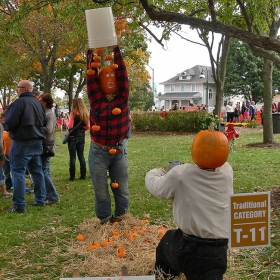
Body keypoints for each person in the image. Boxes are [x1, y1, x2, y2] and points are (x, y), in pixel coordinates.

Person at [145, 135, 233, 280]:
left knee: (165, 247)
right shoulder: (227, 172)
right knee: (168, 240)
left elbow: (155, 186)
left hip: (191, 248)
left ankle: (164, 276)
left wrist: (160, 171)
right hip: (218, 250)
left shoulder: (181, 174)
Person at [86, 45, 130, 224]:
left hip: (119, 151)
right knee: (101, 191)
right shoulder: (96, 100)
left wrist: (116, 51)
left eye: (112, 76)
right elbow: (91, 78)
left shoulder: (123, 98)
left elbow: (122, 74)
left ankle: (122, 218)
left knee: (122, 190)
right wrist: (91, 54)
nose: (110, 80)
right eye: (106, 77)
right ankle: (104, 220)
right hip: (99, 151)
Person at [4, 79, 47, 213]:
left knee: (18, 172)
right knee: (37, 171)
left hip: (22, 142)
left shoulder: (18, 103)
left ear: (25, 89)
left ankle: (19, 205)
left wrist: (9, 129)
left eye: (18, 87)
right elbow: (44, 121)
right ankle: (40, 199)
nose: (17, 90)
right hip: (37, 141)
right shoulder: (38, 104)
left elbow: (9, 121)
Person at [38, 93, 60, 204]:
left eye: (40, 100)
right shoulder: (45, 113)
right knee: (45, 170)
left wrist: (36, 127)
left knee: (44, 171)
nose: (39, 102)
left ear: (45, 102)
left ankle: (53, 196)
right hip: (44, 144)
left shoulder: (49, 114)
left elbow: (49, 129)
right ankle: (49, 194)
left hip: (46, 145)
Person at [65, 98, 90, 181]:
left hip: (72, 137)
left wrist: (66, 122)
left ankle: (72, 176)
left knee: (72, 157)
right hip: (81, 137)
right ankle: (83, 175)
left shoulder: (73, 113)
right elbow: (88, 127)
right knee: (81, 156)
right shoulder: (85, 114)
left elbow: (71, 125)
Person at [0, 110, 12, 191]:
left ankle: (9, 185)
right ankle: (7, 186)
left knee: (7, 171)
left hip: (8, 151)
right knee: (5, 171)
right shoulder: (2, 127)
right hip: (5, 152)